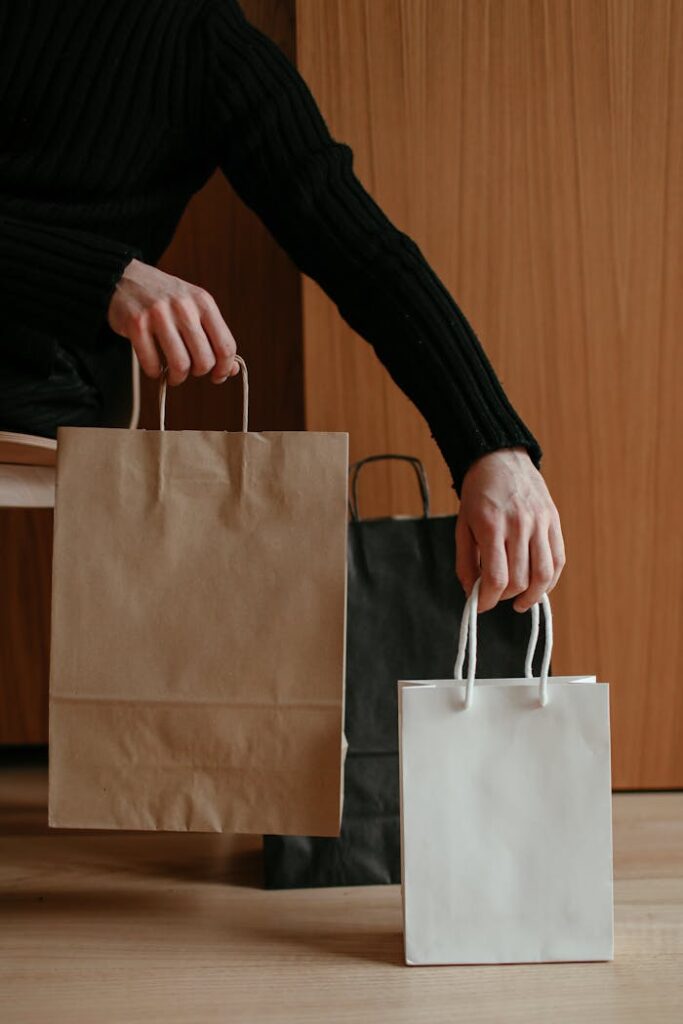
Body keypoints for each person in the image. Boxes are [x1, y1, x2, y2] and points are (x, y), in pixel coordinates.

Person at [0, 0, 564, 614]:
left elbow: (362, 253)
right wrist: (101, 279)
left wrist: (492, 446)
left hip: (43, 390)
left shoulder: (206, 42)